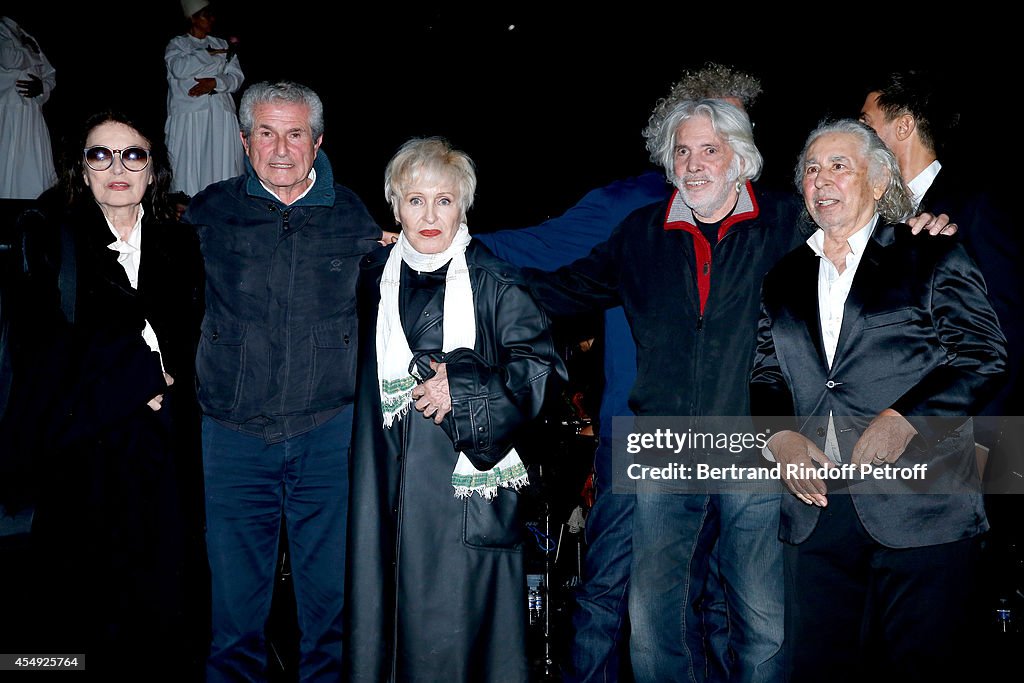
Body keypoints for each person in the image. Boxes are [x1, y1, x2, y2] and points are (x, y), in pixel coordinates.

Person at [475, 62, 764, 683]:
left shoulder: (769, 220)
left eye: (730, 128)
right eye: (698, 133)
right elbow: (539, 255)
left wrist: (919, 226)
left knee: (720, 605)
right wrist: (441, 239)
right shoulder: (630, 209)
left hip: (736, 439)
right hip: (641, 434)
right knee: (611, 591)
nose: (710, 145)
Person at [523, 98, 807, 683]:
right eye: (683, 151)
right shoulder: (639, 234)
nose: (694, 163)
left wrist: (920, 229)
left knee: (758, 622)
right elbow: (558, 290)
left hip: (752, 441)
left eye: (710, 149)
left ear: (741, 158)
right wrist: (454, 263)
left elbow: (861, 246)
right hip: (664, 445)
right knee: (653, 624)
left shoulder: (789, 222)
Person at [750, 118, 1006, 681]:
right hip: (817, 513)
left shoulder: (930, 253)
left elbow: (983, 356)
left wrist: (903, 420)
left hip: (925, 510)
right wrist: (782, 436)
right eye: (811, 169)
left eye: (840, 165)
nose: (822, 180)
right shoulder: (782, 277)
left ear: (879, 177)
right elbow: (766, 375)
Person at [345, 137, 566, 682]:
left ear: (463, 206)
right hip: (383, 496)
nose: (429, 214)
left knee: (459, 653)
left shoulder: (495, 281)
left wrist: (463, 387)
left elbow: (545, 373)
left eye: (444, 200)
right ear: (395, 207)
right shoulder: (371, 276)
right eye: (415, 200)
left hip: (463, 506)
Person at [184, 80, 382, 682]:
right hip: (233, 436)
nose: (279, 149)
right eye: (265, 134)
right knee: (234, 619)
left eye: (294, 134)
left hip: (329, 437)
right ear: (245, 142)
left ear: (316, 142)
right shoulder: (208, 211)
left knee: (331, 615)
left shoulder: (351, 214)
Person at [16, 109, 204, 677]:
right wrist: (140, 382)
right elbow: (40, 353)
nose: (117, 167)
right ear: (82, 168)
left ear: (153, 168)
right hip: (86, 452)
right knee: (78, 614)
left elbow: (201, 335)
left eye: (133, 154)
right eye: (101, 154)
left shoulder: (181, 242)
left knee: (163, 607)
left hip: (166, 450)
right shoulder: (53, 239)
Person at [164, 0, 245, 198]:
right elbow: (180, 69)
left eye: (211, 15)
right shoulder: (178, 44)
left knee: (222, 165)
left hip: (220, 114)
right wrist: (211, 57)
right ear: (192, 18)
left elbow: (235, 77)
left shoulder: (222, 44)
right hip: (189, 116)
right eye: (205, 15)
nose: (211, 19)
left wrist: (215, 83)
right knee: (189, 167)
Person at [0, 15, 56, 199]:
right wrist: (30, 52)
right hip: (9, 110)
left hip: (32, 112)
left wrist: (42, 87)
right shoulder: (3, 29)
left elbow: (49, 74)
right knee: (9, 162)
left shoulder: (26, 35)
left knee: (34, 165)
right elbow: (8, 58)